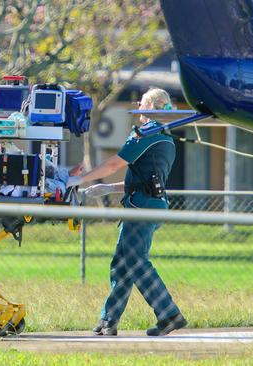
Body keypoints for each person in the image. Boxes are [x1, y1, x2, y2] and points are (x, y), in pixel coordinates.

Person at [72, 88, 187, 337]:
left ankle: (169, 314)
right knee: (122, 264)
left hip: (141, 208)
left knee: (135, 262)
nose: (138, 107)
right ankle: (108, 320)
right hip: (148, 203)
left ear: (149, 106)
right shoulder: (166, 137)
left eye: (141, 103)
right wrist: (106, 188)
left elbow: (114, 163)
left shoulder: (146, 134)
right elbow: (146, 180)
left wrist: (80, 179)